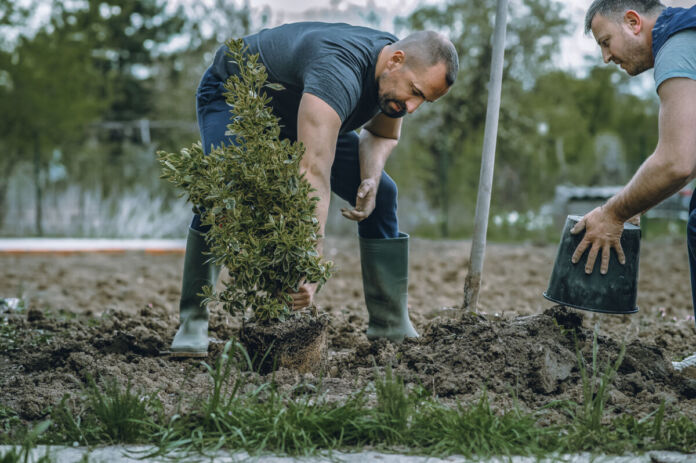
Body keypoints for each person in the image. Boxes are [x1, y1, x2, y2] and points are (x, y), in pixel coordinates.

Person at [168, 22, 459, 357]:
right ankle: (192, 320)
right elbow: (312, 174)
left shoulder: (391, 83)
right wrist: (309, 262)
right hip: (237, 95)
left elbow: (382, 136)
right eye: (416, 92)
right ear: (395, 60)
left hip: (300, 112)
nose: (412, 108)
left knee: (384, 195)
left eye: (424, 100)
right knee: (225, 189)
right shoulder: (338, 71)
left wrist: (370, 178)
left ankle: (390, 324)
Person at [578, 0, 696, 374]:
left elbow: (677, 161)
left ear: (633, 22)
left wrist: (614, 213)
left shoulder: (677, 42)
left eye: (606, 41)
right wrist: (639, 203)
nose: (605, 57)